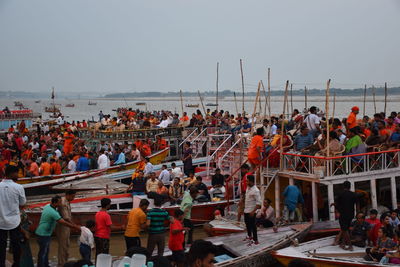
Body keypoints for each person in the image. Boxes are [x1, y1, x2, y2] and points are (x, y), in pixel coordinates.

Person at [35, 196, 79, 267]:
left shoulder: (47, 206)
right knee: (43, 253)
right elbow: (62, 222)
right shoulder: (53, 212)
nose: (61, 204)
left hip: (42, 233)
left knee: (45, 252)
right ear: (55, 203)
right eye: (59, 202)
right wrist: (74, 226)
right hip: (43, 234)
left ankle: (46, 265)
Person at [0, 165, 26, 267]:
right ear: (12, 174)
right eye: (17, 173)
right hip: (14, 222)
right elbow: (23, 203)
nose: (18, 175)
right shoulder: (19, 187)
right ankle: (16, 264)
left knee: (1, 246)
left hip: (1, 221)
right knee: (16, 245)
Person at [333, 181, 358, 250]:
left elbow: (337, 204)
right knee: (345, 228)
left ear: (343, 186)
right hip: (351, 214)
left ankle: (350, 246)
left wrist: (336, 211)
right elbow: (357, 204)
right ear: (350, 186)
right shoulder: (353, 194)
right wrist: (358, 213)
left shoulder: (340, 194)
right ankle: (343, 244)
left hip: (343, 214)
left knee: (345, 229)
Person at [56, 189, 76, 267]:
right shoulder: (63, 202)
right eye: (73, 196)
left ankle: (65, 263)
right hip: (63, 227)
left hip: (67, 227)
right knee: (63, 247)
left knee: (66, 245)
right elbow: (66, 217)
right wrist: (75, 226)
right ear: (68, 195)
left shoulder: (67, 201)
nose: (73, 198)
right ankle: (61, 264)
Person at [243, 175, 261, 245]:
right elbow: (246, 196)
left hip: (251, 211)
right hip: (246, 210)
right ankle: (249, 236)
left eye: (247, 181)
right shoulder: (248, 187)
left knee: (253, 226)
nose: (246, 182)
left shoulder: (256, 191)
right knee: (247, 224)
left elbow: (259, 203)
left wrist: (253, 212)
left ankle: (255, 240)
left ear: (251, 181)